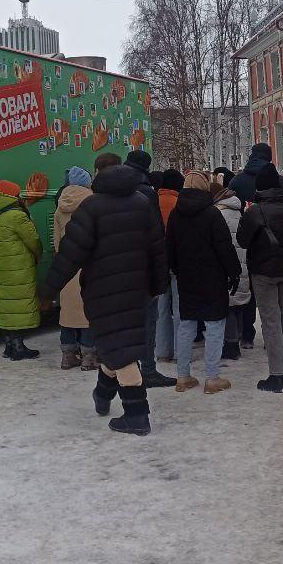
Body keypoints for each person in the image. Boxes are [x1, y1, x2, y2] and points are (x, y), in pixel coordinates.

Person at [41, 161, 168, 435]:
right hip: (137, 289)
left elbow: (70, 254)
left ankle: (137, 415)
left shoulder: (92, 208)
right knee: (116, 346)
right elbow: (157, 247)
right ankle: (102, 395)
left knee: (119, 350)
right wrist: (159, 284)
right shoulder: (141, 203)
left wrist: (48, 289)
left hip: (102, 291)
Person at [166, 170, 241, 393]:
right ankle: (212, 377)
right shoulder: (211, 214)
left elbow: (169, 248)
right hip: (212, 277)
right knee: (214, 325)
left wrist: (178, 270)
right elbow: (224, 246)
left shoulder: (175, 215)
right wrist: (233, 272)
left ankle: (182, 376)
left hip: (187, 277)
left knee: (186, 325)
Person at [237, 163, 283, 393]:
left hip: (264, 271)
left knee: (271, 321)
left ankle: (277, 374)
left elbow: (243, 241)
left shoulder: (255, 211)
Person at [123, 150, 176, 389]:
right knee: (148, 319)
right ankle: (148, 370)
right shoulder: (145, 192)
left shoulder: (110, 188)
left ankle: (126, 371)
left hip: (117, 266)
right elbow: (154, 235)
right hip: (142, 266)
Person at [0, 181, 42, 360]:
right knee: (18, 306)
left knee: (7, 306)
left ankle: (9, 346)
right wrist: (38, 255)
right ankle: (18, 347)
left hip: (4, 268)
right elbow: (33, 240)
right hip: (19, 267)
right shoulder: (17, 216)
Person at [55, 166, 96, 370]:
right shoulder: (93, 202)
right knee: (87, 311)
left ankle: (67, 355)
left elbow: (56, 240)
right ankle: (89, 356)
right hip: (88, 263)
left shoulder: (60, 205)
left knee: (68, 311)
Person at [214, 176, 252, 358]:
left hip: (227, 265)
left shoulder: (218, 214)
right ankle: (238, 337)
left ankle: (231, 344)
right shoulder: (238, 211)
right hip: (242, 263)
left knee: (228, 304)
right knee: (239, 303)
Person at [154, 169, 185, 362]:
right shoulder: (180, 204)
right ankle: (182, 350)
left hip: (157, 261)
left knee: (161, 308)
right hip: (177, 260)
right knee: (180, 307)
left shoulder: (151, 202)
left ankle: (163, 351)